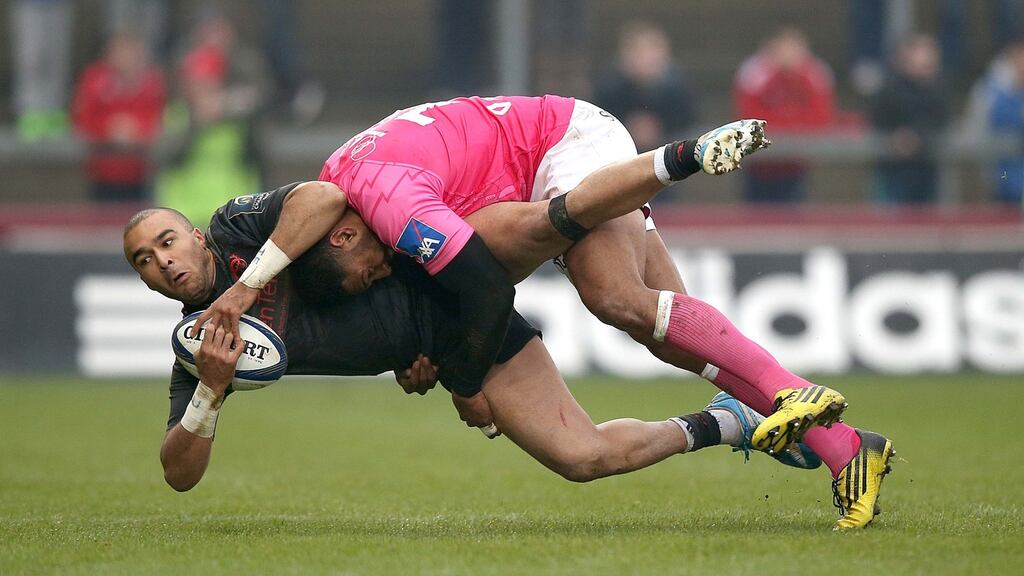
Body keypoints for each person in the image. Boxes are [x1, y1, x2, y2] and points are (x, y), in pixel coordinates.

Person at [198, 96, 895, 529]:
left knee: (611, 297)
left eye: (365, 271)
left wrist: (464, 383)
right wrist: (430, 364)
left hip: (565, 145)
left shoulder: (388, 201)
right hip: (549, 156)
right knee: (666, 328)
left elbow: (484, 288)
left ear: (344, 235)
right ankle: (844, 448)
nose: (379, 273)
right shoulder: (355, 184)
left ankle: (679, 158)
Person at [122, 183, 822, 507]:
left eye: (166, 240)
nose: (162, 260)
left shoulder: (239, 228)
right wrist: (210, 395)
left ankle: (638, 170)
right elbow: (178, 474)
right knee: (582, 459)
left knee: (584, 257)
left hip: (445, 261)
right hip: (459, 343)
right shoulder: (199, 351)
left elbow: (327, 197)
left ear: (195, 234)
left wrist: (251, 286)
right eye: (144, 261)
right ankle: (733, 419)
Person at [734, 27, 837, 203]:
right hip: (758, 164)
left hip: (796, 164)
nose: (789, 55)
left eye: (794, 48)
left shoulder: (814, 74)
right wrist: (786, 124)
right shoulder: (755, 73)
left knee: (792, 215)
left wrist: (793, 128)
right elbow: (749, 118)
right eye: (784, 48)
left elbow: (820, 117)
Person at [71, 29, 166, 203]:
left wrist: (135, 131)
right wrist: (110, 129)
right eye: (121, 51)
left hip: (140, 174)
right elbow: (82, 121)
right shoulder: (94, 81)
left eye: (132, 52)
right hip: (101, 174)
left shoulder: (154, 83)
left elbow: (160, 121)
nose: (127, 58)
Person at [592, 21, 698, 155]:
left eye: (651, 52)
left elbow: (690, 127)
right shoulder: (608, 88)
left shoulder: (680, 89)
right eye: (638, 53)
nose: (645, 60)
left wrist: (661, 132)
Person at [870, 34, 950, 205]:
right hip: (893, 171)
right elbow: (877, 120)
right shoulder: (889, 88)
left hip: (928, 170)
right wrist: (896, 137)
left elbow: (941, 121)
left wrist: (916, 137)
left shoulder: (940, 89)